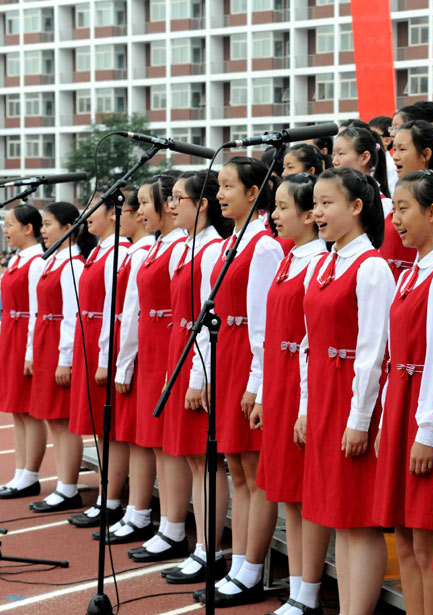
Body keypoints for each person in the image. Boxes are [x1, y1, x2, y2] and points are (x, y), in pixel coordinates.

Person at [294, 167, 394, 615]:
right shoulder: (321, 264)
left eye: (327, 203)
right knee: (336, 514)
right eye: (315, 203)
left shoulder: (371, 268)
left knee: (358, 518)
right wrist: (304, 406)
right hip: (322, 395)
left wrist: (359, 419)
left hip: (352, 398)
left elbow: (373, 351)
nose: (317, 212)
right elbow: (307, 343)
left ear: (356, 206)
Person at [372, 170, 433, 615]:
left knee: (426, 539)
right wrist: (386, 418)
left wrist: (428, 433)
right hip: (401, 406)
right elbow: (395, 355)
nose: (395, 220)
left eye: (403, 209)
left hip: (425, 411)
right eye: (394, 209)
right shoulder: (412, 272)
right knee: (405, 537)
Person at [200, 157, 283, 607]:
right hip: (227, 356)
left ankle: (251, 570)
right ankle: (237, 565)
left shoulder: (264, 247)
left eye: (228, 186)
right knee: (235, 469)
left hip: (249, 359)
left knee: (253, 472)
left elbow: (264, 326)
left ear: (254, 193)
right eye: (219, 186)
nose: (219, 194)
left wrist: (257, 383)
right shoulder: (230, 243)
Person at [253, 173, 330, 614]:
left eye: (284, 208)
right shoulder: (288, 258)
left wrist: (301, 402)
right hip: (280, 381)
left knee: (304, 493)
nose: (275, 216)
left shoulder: (317, 262)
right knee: (287, 491)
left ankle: (308, 592)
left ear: (308, 215)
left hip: (301, 383)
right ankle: (299, 587)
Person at [159, 170, 233, 585]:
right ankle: (202, 545)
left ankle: (210, 550)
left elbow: (207, 318)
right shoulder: (185, 249)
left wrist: (196, 377)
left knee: (206, 459)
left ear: (201, 204)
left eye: (178, 198)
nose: (171, 205)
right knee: (190, 456)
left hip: (198, 357)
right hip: (180, 350)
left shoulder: (211, 250)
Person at [122, 175, 190, 563]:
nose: (140, 211)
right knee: (153, 440)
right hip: (149, 344)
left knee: (169, 443)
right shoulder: (156, 246)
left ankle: (174, 527)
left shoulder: (179, 247)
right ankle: (162, 522)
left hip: (167, 344)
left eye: (147, 203)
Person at [61, 194, 128, 520]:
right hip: (89, 339)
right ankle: (105, 496)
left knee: (109, 428)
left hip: (104, 343)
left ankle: (111, 500)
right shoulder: (100, 250)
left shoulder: (119, 252)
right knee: (100, 429)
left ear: (114, 213)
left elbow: (113, 308)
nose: (86, 215)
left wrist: (104, 358)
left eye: (93, 209)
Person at [96, 189, 153, 540]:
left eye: (143, 205)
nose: (138, 213)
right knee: (130, 434)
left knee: (139, 436)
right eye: (139, 205)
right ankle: (132, 509)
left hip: (141, 347)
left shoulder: (141, 252)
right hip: (128, 344)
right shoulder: (134, 252)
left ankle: (139, 511)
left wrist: (121, 361)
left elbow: (130, 310)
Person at [28, 203, 91, 514]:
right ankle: (64, 485)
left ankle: (68, 487)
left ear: (68, 228)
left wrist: (65, 358)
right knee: (53, 418)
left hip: (58, 343)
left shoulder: (73, 266)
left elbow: (72, 316)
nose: (43, 230)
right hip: (45, 340)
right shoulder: (52, 262)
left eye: (48, 224)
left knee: (63, 420)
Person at [0, 205, 47, 500]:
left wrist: (30, 351)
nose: (6, 230)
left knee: (29, 411)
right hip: (10, 333)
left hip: (24, 336)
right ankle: (20, 472)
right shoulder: (18, 258)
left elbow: (36, 310)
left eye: (10, 225)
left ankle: (31, 474)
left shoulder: (36, 261)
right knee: (16, 409)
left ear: (28, 228)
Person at [390, 121, 433, 276]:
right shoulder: (407, 276)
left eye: (402, 149)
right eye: (394, 149)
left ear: (426, 154)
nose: (395, 157)